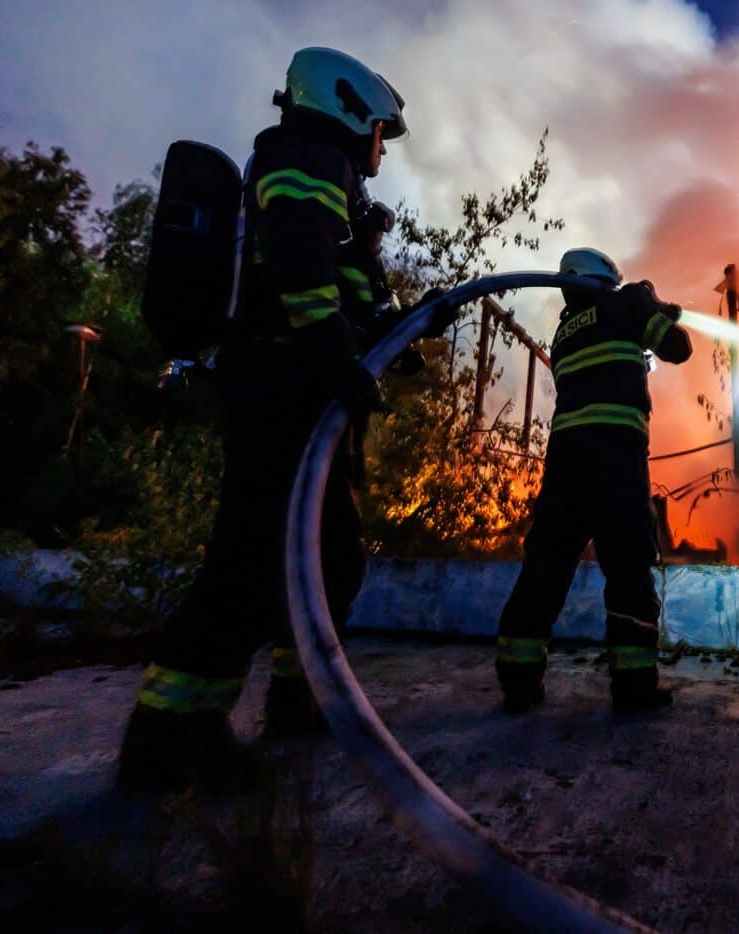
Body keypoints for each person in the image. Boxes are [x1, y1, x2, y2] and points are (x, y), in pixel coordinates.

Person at [118, 47, 447, 791]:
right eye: (379, 134)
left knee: (329, 559)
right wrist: (340, 360)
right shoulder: (304, 160)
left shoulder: (331, 190)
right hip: (278, 391)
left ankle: (300, 699)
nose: (379, 151)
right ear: (347, 109)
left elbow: (351, 290)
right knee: (248, 564)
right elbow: (300, 274)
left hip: (297, 393)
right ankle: (169, 736)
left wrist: (398, 335)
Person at [496, 248, 692, 713]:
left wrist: (649, 309)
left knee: (546, 565)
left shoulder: (565, 331)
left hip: (566, 462)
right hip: (615, 458)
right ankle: (634, 685)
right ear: (606, 278)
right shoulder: (625, 305)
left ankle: (519, 680)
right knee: (627, 567)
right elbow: (678, 348)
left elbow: (620, 339)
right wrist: (647, 303)